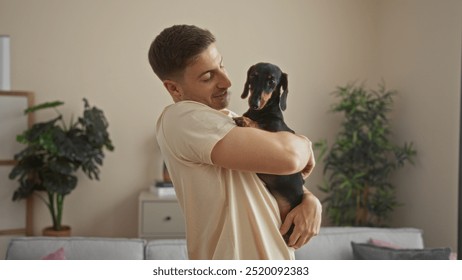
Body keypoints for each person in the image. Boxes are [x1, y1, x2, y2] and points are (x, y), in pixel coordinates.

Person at [148, 24, 321, 260]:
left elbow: (275, 178)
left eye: (221, 65)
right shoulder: (182, 118)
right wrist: (305, 143)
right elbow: (290, 158)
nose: (227, 81)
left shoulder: (230, 121)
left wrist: (310, 200)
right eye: (208, 76)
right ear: (174, 88)